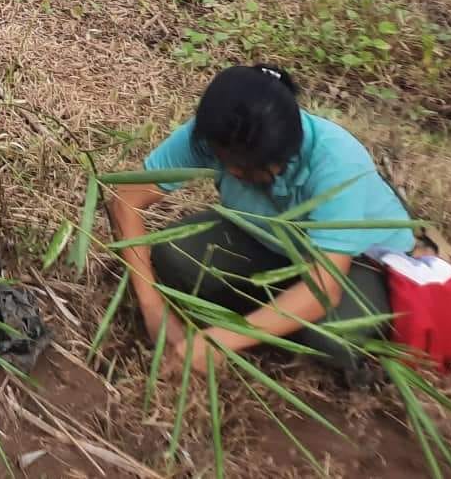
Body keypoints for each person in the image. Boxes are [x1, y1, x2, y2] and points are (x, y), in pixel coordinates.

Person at [107, 65, 412, 380]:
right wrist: (153, 309)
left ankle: (318, 329)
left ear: (285, 153)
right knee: (174, 256)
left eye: (249, 169)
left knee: (330, 334)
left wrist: (221, 340)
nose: (235, 174)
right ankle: (280, 312)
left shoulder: (336, 162)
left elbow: (325, 287)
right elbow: (127, 198)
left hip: (360, 264)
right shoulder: (213, 134)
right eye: (227, 162)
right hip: (270, 241)